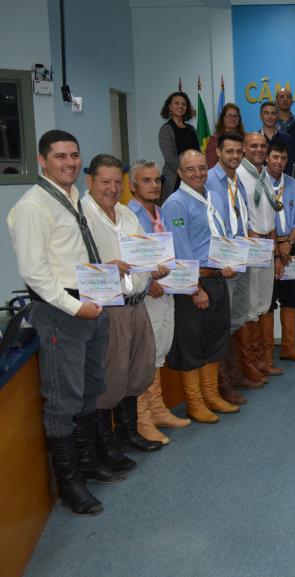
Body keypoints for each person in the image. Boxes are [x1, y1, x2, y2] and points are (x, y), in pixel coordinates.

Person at [8, 130, 112, 515]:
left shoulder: (73, 199)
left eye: (74, 155)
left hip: (91, 302)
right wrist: (73, 307)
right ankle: (69, 484)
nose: (69, 163)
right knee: (62, 397)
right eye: (60, 157)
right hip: (61, 312)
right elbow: (34, 273)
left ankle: (87, 464)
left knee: (90, 387)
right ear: (42, 161)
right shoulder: (34, 206)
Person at [81, 154, 165, 460]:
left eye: (118, 182)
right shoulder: (81, 215)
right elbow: (76, 264)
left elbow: (141, 253)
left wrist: (156, 267)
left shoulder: (127, 215)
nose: (112, 188)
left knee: (135, 370)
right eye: (105, 182)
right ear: (90, 181)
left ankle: (129, 432)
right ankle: (107, 443)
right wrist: (106, 266)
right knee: (110, 376)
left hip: (136, 303)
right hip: (109, 307)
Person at [161, 149, 239, 424]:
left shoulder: (214, 196)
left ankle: (211, 395)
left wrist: (229, 264)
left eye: (202, 168)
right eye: (191, 169)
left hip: (217, 277)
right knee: (192, 343)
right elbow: (179, 249)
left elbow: (222, 236)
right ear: (180, 173)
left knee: (217, 337)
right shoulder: (175, 204)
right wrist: (194, 289)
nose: (198, 174)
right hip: (194, 284)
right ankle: (194, 402)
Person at [127, 160, 192, 444]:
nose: (154, 185)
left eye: (156, 180)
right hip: (147, 292)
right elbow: (126, 255)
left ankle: (157, 408)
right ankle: (143, 417)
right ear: (133, 185)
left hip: (168, 289)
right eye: (146, 180)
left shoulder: (161, 212)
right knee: (146, 354)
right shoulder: (129, 216)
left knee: (160, 348)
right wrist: (148, 280)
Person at [206, 131, 266, 407]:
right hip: (225, 263)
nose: (234, 156)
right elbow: (212, 226)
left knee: (238, 316)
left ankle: (237, 371)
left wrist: (251, 235)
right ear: (218, 152)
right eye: (228, 151)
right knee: (223, 322)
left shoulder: (237, 181)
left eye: (237, 152)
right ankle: (223, 383)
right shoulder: (208, 181)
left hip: (243, 258)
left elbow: (239, 218)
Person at [237, 132, 286, 375]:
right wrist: (249, 236)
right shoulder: (237, 175)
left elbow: (272, 215)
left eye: (262, 146)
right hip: (251, 245)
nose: (258, 149)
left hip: (267, 246)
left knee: (263, 304)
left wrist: (276, 252)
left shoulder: (264, 176)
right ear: (244, 148)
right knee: (250, 306)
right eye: (253, 145)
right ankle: (250, 364)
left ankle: (260, 360)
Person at [265, 138, 295, 362]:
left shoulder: (294, 184)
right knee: (267, 301)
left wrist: (289, 243)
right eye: (275, 157)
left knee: (292, 299)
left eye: (283, 158)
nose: (279, 162)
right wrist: (277, 250)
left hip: (293, 246)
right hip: (268, 249)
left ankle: (289, 348)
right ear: (267, 157)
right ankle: (265, 356)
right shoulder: (258, 184)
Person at [158, 91, 200, 198]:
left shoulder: (191, 129)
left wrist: (196, 171)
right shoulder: (166, 129)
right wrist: (187, 172)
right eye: (176, 103)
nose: (180, 106)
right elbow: (170, 158)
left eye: (184, 104)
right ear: (170, 107)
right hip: (174, 179)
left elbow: (198, 153)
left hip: (194, 176)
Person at [259, 101, 295, 175]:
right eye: (266, 113)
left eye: (273, 113)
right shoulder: (255, 139)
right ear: (261, 116)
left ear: (278, 116)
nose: (270, 117)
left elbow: (290, 164)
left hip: (283, 183)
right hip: (259, 183)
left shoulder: (288, 139)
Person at [206, 103, 245, 169]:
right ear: (222, 118)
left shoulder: (245, 137)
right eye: (228, 115)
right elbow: (211, 164)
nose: (232, 118)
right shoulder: (215, 139)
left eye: (235, 116)